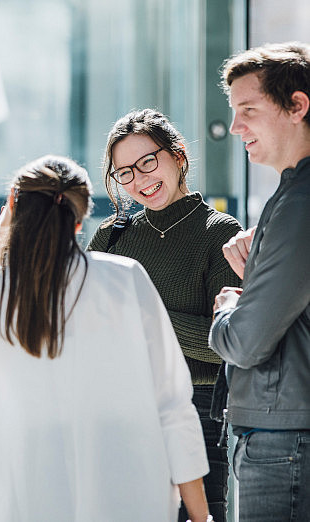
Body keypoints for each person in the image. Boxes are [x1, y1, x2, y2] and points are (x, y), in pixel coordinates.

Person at [0, 155, 211, 521]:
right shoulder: (125, 280)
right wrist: (202, 517)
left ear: (12, 202)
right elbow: (173, 408)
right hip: (127, 497)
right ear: (80, 218)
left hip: (17, 500)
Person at [88, 109, 242, 521]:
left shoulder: (219, 233)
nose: (139, 180)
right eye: (125, 172)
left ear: (177, 156)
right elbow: (88, 327)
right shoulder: (112, 235)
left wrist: (143, 312)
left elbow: (225, 345)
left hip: (199, 411)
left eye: (147, 163)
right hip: (122, 409)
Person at [209, 42, 310, 521]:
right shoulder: (289, 195)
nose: (234, 127)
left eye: (247, 110)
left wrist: (229, 305)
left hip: (282, 443)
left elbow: (246, 342)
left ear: (297, 106)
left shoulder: (299, 203)